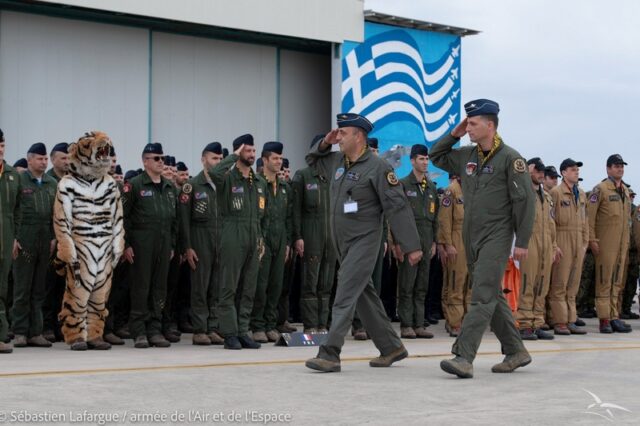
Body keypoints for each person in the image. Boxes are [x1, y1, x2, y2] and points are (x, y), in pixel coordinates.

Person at [304, 113, 422, 373]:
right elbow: (312, 160)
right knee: (364, 296)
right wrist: (325, 142)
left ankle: (330, 353)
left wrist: (411, 246)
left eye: (343, 133)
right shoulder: (336, 161)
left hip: (365, 240)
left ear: (359, 136)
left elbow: (397, 207)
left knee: (345, 293)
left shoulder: (378, 168)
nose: (339, 137)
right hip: (342, 243)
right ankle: (391, 347)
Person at [430, 99, 536, 379]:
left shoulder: (511, 159)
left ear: (490, 125)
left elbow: (524, 203)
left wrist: (522, 241)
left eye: (474, 124)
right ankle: (516, 350)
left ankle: (463, 356)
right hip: (471, 236)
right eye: (467, 123)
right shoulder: (467, 156)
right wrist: (454, 134)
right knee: (491, 294)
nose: (469, 128)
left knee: (480, 296)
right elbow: (436, 156)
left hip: (497, 235)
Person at [210, 134, 267, 350]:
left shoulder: (258, 181)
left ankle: (243, 331)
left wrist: (260, 239)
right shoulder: (227, 178)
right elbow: (213, 172)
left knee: (248, 288)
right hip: (232, 234)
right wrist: (231, 157)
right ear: (237, 152)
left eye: (254, 151)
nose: (252, 155)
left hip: (253, 236)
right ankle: (230, 333)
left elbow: (264, 215)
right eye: (247, 151)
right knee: (229, 287)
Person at [122, 143, 177, 348]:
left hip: (163, 244)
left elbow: (175, 220)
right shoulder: (134, 185)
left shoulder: (169, 187)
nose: (161, 161)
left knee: (159, 288)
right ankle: (139, 331)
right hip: (141, 243)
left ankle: (155, 328)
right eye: (156, 158)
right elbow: (124, 217)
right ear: (145, 161)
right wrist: (126, 244)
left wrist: (172, 244)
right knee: (141, 287)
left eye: (162, 158)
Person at [12, 143, 58, 348]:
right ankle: (20, 331)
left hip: (44, 239)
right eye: (40, 158)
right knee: (22, 287)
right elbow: (12, 210)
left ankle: (36, 332)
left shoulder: (51, 183)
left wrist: (54, 238)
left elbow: (55, 215)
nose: (44, 161)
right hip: (25, 238)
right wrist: (13, 237)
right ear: (29, 159)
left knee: (39, 288)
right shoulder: (19, 180)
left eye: (45, 158)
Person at [179, 142, 224, 345]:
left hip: (220, 241)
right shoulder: (193, 185)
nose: (218, 162)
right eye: (214, 158)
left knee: (217, 286)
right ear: (203, 159)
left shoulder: (224, 185)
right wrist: (187, 247)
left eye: (221, 159)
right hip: (200, 240)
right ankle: (199, 329)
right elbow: (184, 220)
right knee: (200, 286)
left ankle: (213, 327)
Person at [292, 135, 335, 333]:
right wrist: (298, 236)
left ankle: (322, 323)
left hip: (331, 238)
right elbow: (295, 211)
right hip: (311, 235)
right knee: (311, 281)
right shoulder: (302, 176)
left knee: (326, 282)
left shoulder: (334, 178)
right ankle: (310, 324)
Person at [250, 142, 293, 343]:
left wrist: (287, 243)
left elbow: (288, 218)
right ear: (265, 160)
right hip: (262, 240)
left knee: (276, 284)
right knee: (261, 284)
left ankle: (270, 324)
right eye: (275, 158)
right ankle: (257, 325)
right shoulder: (256, 184)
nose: (279, 162)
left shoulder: (284, 187)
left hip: (280, 239)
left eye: (280, 158)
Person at [395, 143, 438, 339]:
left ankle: (419, 324)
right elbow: (397, 216)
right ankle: (406, 324)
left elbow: (435, 217)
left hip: (427, 240)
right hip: (409, 242)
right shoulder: (403, 184)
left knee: (422, 285)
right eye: (421, 159)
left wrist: (435, 241)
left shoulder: (430, 187)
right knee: (407, 284)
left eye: (427, 159)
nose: (425, 162)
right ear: (412, 161)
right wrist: (399, 243)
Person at [587, 154, 632, 333]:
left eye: (621, 166)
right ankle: (604, 319)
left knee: (617, 281)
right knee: (604, 280)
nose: (620, 168)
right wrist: (592, 239)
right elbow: (590, 217)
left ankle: (614, 316)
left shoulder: (625, 192)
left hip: (621, 244)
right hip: (605, 244)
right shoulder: (600, 190)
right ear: (608, 168)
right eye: (616, 166)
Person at [515, 158, 558, 340]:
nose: (541, 174)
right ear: (529, 170)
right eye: (537, 170)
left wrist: (554, 246)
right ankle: (524, 324)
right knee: (527, 283)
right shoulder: (522, 192)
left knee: (542, 284)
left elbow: (551, 224)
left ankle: (537, 322)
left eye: (543, 171)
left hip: (546, 244)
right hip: (528, 242)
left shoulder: (547, 197)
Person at [548, 159, 589, 335]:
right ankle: (559, 321)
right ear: (564, 173)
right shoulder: (556, 193)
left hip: (578, 240)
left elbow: (585, 219)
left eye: (577, 170)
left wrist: (585, 241)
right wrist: (554, 244)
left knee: (573, 283)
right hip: (563, 237)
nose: (576, 172)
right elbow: (550, 221)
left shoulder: (581, 193)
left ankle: (571, 319)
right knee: (560, 282)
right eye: (573, 170)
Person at [438, 172, 470, 337]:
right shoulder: (451, 191)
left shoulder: (475, 189)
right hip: (457, 239)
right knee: (456, 283)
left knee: (470, 285)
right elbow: (444, 219)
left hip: (473, 241)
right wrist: (447, 244)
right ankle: (454, 322)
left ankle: (468, 321)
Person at [0, 129, 21, 353]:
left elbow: (17, 211)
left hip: (5, 242)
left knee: (2, 289)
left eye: (2, 145)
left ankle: (1, 335)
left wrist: (15, 237)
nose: (0, 149)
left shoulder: (12, 174)